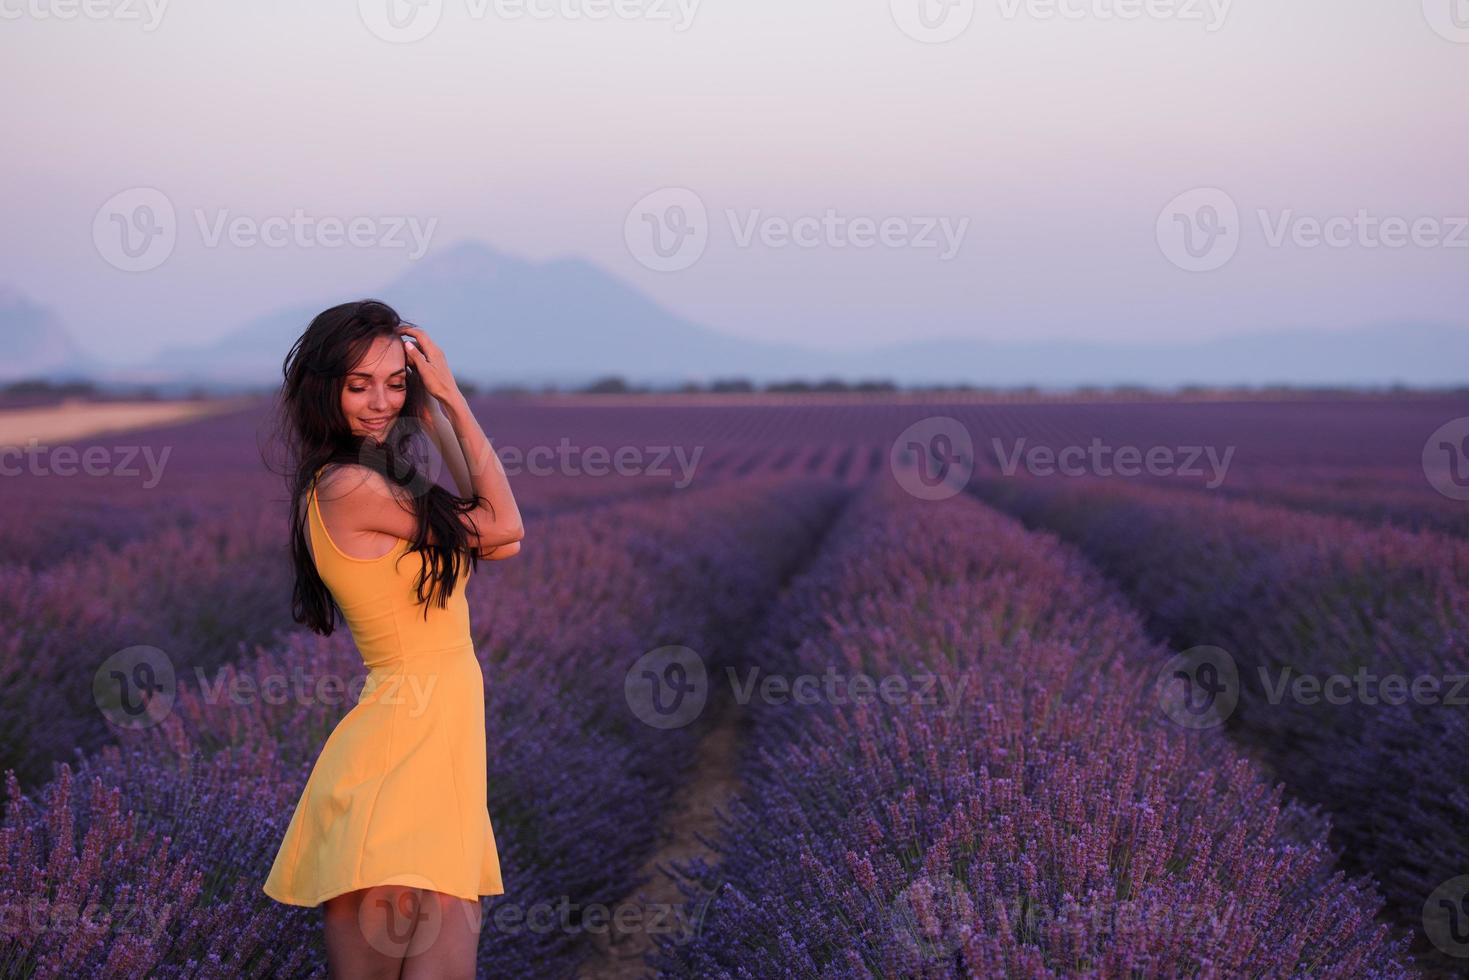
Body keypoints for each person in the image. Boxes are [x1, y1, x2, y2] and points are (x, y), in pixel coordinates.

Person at [262, 299, 523, 979]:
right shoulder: (348, 486)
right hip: (398, 768)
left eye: (395, 382)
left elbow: (501, 539)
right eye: (358, 385)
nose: (380, 401)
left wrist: (431, 411)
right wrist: (451, 397)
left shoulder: (378, 481)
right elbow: (501, 523)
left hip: (434, 763)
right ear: (325, 390)